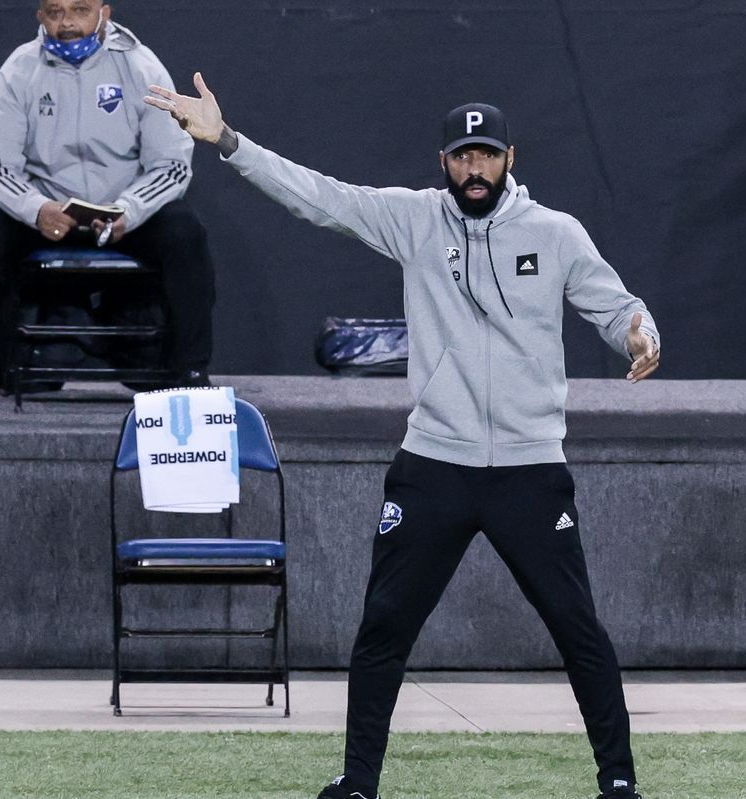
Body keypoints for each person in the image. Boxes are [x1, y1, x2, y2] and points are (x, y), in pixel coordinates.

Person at [145, 75, 660, 799]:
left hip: (528, 467)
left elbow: (619, 308)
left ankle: (618, 781)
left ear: (510, 156)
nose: (473, 170)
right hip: (435, 465)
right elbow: (318, 196)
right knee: (384, 626)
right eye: (461, 157)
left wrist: (640, 335)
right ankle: (357, 782)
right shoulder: (414, 220)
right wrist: (228, 143)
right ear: (442, 161)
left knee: (579, 629)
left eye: (486, 156)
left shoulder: (555, 233)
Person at [0, 0, 215, 424]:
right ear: (40, 17)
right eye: (55, 11)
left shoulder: (142, 68)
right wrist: (35, 208)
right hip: (45, 214)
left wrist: (130, 209)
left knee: (185, 230)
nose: (67, 22)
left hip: (120, 216)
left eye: (80, 10)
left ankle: (192, 376)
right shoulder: (20, 70)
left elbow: (171, 164)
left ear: (103, 14)